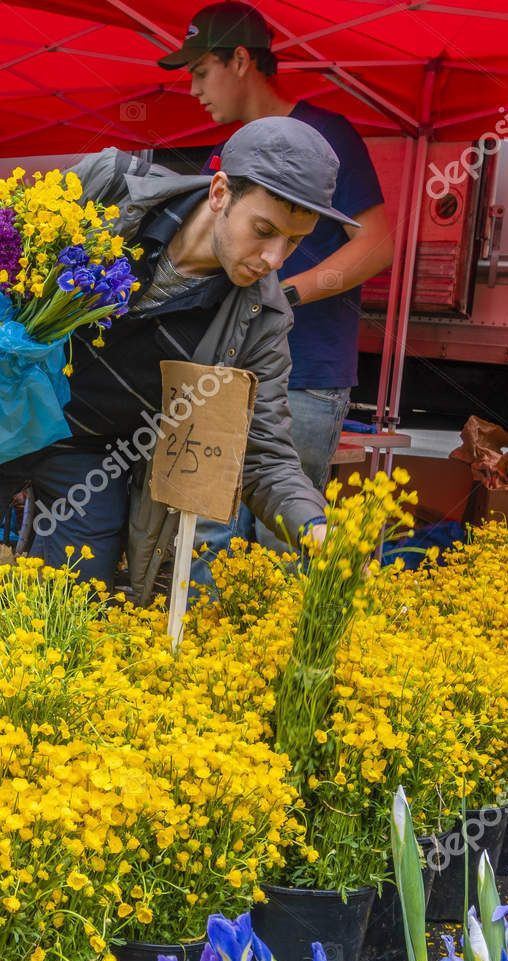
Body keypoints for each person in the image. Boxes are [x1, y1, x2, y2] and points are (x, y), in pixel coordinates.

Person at [0, 117, 346, 619]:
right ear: (221, 192)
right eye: (264, 230)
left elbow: (264, 452)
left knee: (67, 625)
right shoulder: (110, 187)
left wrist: (313, 525)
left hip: (93, 460)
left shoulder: (260, 318)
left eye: (293, 242)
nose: (273, 258)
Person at [159, 2, 394, 576]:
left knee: (282, 545)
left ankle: (268, 660)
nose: (192, 89)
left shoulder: (326, 136)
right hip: (221, 367)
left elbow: (378, 245)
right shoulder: (238, 151)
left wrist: (282, 296)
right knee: (206, 527)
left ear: (240, 60)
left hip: (307, 375)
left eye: (199, 71)